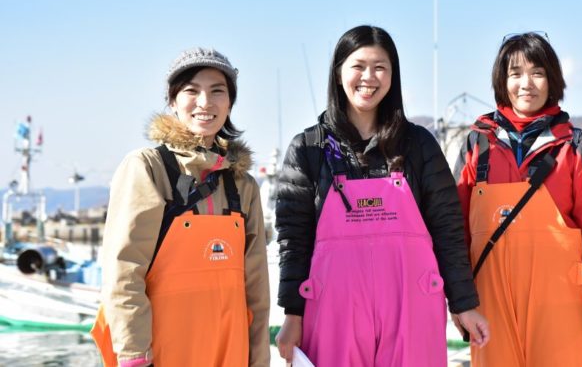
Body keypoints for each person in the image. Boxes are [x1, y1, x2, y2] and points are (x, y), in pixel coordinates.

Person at [274, 25, 489, 366]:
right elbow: (293, 238)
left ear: (393, 76)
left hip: (412, 303)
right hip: (334, 307)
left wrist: (463, 302)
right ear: (339, 71)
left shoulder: (418, 144)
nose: (369, 77)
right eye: (358, 66)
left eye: (380, 67)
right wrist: (292, 313)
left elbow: (447, 227)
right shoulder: (308, 148)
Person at [91, 48, 271, 367]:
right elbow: (124, 270)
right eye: (191, 90)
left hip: (230, 353)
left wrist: (258, 359)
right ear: (173, 101)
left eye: (218, 90)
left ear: (230, 102)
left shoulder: (243, 185)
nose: (205, 102)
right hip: (162, 354)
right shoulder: (148, 168)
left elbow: (255, 290)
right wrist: (134, 356)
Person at [455, 32, 582, 367]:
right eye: (515, 74)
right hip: (491, 303)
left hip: (562, 302)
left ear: (551, 80)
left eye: (537, 73)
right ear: (502, 81)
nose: (525, 83)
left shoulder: (574, 145)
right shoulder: (478, 145)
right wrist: (459, 300)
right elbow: (454, 230)